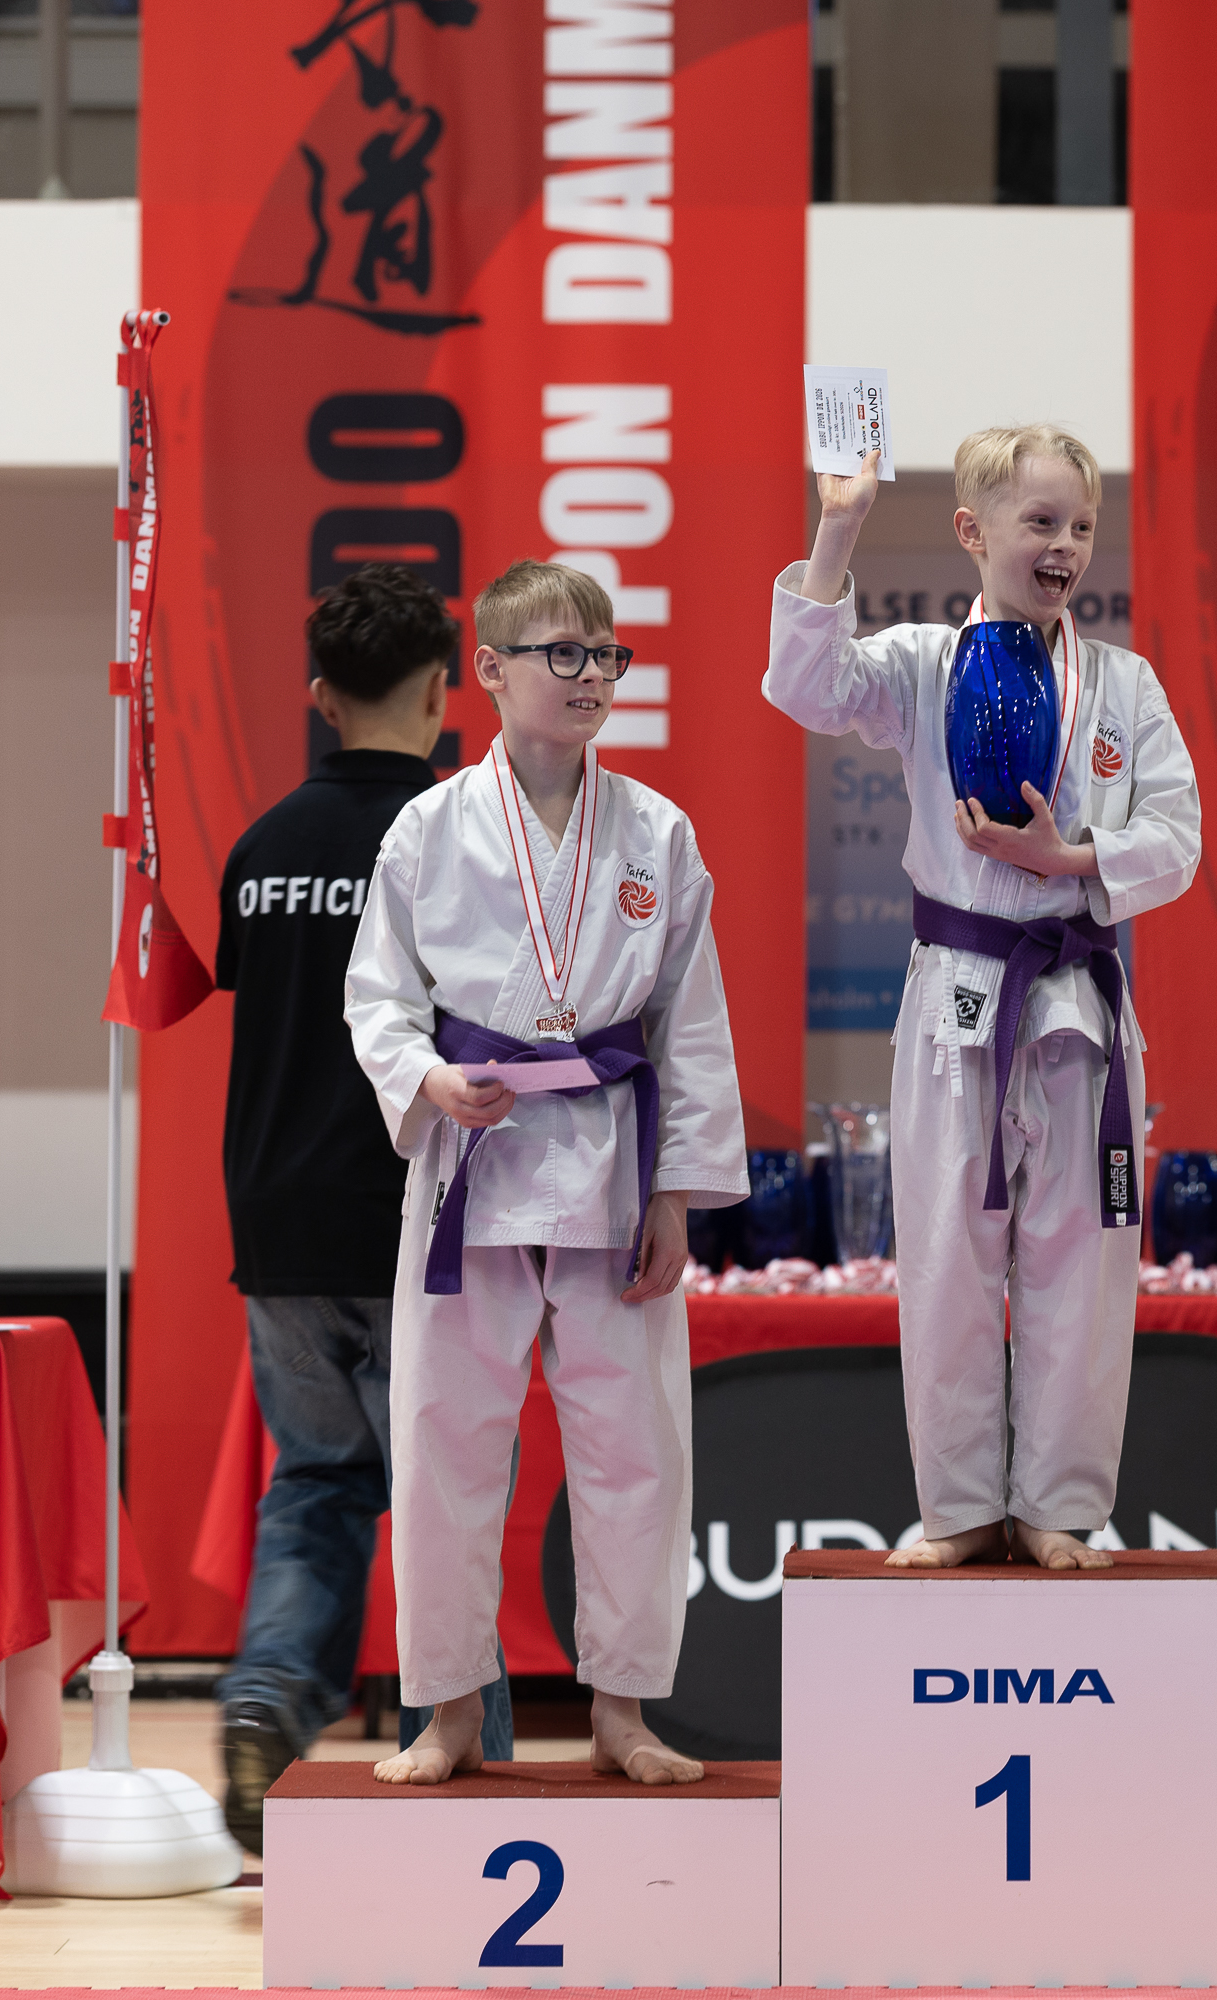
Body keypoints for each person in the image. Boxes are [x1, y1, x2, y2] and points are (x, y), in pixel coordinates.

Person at [766, 427, 1202, 1570]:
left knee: (1082, 1263)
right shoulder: (922, 662)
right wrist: (840, 524)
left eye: (1082, 526)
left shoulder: (1125, 684)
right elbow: (806, 685)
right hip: (957, 994)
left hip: (1081, 1003)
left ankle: (1057, 1505)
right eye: (1040, 521)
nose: (1065, 546)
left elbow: (1179, 838)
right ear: (972, 530)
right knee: (947, 1259)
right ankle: (958, 1505)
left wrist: (1073, 859)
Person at [347, 559, 746, 1785]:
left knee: (635, 1448)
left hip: (612, 1165)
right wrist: (425, 1078)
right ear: (490, 669)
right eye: (562, 653)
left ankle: (624, 1709)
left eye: (605, 654)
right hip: (473, 1157)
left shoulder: (658, 831)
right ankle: (449, 1711)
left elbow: (689, 1024)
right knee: (445, 1444)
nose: (589, 675)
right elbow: (377, 998)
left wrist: (678, 1189)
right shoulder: (428, 827)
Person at [211, 564, 513, 1847]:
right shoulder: (466, 838)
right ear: (447, 692)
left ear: (318, 694)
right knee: (451, 1497)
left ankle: (269, 1695)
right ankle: (471, 1776)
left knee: (319, 1481)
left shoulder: (263, 847)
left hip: (279, 1228)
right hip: (417, 1218)